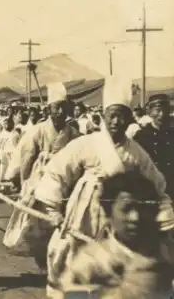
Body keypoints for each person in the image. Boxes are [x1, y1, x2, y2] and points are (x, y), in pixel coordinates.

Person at [34, 76, 174, 299]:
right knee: (63, 254)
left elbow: (156, 185)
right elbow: (57, 172)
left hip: (118, 216)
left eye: (122, 116)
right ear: (104, 116)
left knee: (113, 269)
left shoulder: (137, 153)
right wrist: (53, 210)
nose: (116, 121)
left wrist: (165, 213)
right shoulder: (86, 143)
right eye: (112, 115)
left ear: (129, 119)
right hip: (82, 214)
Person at [2, 82, 81, 269]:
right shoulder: (38, 131)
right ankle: (44, 260)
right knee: (39, 227)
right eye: (56, 107)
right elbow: (25, 158)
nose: (60, 112)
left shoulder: (74, 134)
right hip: (41, 184)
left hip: (66, 185)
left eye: (63, 107)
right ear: (49, 109)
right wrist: (21, 181)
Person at [59, 171, 173, 298]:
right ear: (109, 213)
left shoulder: (166, 252)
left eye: (142, 209)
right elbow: (71, 293)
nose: (135, 217)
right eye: (126, 209)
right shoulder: (91, 259)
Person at [133, 93, 174, 199]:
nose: (162, 114)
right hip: (152, 187)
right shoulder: (141, 136)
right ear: (150, 112)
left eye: (165, 110)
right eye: (158, 110)